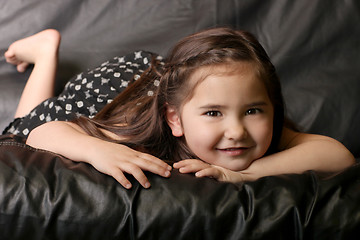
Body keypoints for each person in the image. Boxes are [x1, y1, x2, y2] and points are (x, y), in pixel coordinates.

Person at [3, 28, 355, 189]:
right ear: (175, 121)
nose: (237, 131)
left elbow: (336, 154)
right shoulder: (142, 131)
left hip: (181, 80)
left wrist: (244, 174)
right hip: (123, 89)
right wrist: (99, 150)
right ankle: (45, 52)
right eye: (214, 113)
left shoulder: (264, 132)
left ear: (271, 108)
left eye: (252, 111)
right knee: (20, 128)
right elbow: (42, 132)